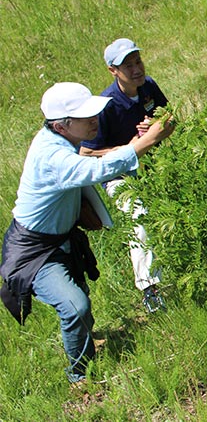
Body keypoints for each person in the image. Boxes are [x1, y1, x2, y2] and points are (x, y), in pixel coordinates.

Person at [0, 82, 174, 382]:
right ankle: (79, 378)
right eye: (86, 117)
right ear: (61, 125)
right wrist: (144, 144)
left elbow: (93, 161)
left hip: (60, 237)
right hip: (34, 249)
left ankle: (86, 345)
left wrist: (134, 141)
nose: (95, 120)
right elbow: (96, 170)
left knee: (80, 301)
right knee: (75, 307)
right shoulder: (52, 155)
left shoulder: (61, 141)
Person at [79, 38, 169, 312]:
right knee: (139, 215)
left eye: (138, 62)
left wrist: (157, 124)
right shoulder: (105, 105)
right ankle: (149, 289)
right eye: (127, 66)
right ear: (113, 70)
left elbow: (170, 117)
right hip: (120, 178)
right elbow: (85, 152)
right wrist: (127, 149)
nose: (136, 70)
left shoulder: (148, 87)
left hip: (155, 168)